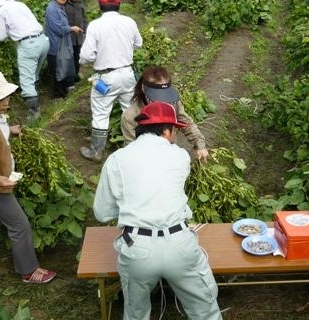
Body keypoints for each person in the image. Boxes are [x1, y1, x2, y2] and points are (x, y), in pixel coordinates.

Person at [93, 101, 222, 319]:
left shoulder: (117, 159)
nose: (175, 136)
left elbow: (102, 213)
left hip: (137, 247)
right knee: (205, 310)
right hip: (179, 244)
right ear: (166, 130)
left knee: (136, 313)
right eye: (174, 131)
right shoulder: (180, 156)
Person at [0, 70, 57, 284]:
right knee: (19, 225)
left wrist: (10, 129)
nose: (6, 101)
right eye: (0, 98)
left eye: (7, 96)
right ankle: (28, 271)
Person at [79, 0, 142, 161]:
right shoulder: (129, 22)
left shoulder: (96, 25)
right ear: (119, 4)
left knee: (101, 113)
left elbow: (85, 56)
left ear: (100, 5)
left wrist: (93, 58)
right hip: (128, 74)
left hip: (106, 77)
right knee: (130, 110)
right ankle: (136, 146)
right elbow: (139, 43)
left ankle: (96, 151)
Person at [121, 66, 209, 162]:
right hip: (146, 161)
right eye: (156, 96)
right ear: (143, 89)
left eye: (164, 95)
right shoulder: (130, 116)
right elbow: (132, 150)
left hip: (170, 155)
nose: (162, 101)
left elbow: (186, 123)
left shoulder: (172, 104)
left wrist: (199, 144)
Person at [0, 0, 49, 120]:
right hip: (43, 40)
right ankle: (39, 105)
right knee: (33, 75)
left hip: (28, 45)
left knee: (26, 81)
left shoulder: (1, 12)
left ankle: (34, 114)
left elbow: (1, 35)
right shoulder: (20, 4)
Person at [45, 0, 81, 98]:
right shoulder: (51, 8)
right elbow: (58, 28)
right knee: (57, 70)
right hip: (56, 45)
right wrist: (71, 28)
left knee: (63, 68)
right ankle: (57, 95)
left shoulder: (60, 7)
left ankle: (63, 92)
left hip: (63, 44)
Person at [65, 0, 87, 82]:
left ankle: (76, 75)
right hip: (68, 36)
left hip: (79, 36)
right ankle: (70, 78)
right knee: (69, 58)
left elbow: (84, 17)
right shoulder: (64, 3)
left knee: (78, 56)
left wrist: (85, 29)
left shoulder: (80, 1)